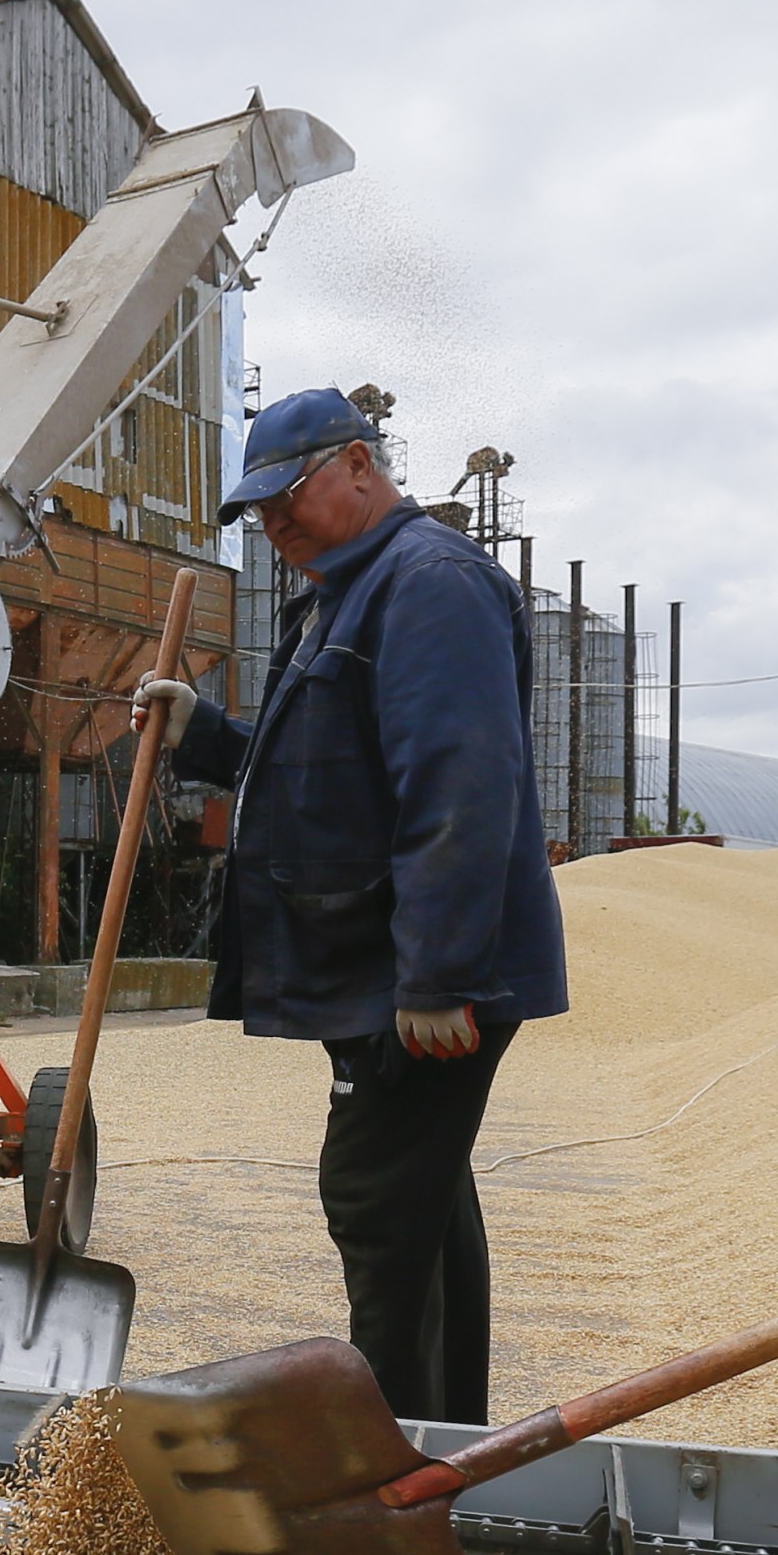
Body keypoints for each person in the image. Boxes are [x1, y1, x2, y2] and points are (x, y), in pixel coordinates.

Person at [137, 388, 569, 1424]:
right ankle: (445, 1448)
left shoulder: (428, 586)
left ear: (362, 467)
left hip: (412, 975)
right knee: (421, 1198)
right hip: (380, 965)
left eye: (290, 499)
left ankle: (395, 1473)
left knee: (377, 1197)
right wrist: (204, 734)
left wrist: (438, 971)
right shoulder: (346, 594)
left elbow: (458, 783)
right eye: (260, 514)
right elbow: (315, 776)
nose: (276, 527)